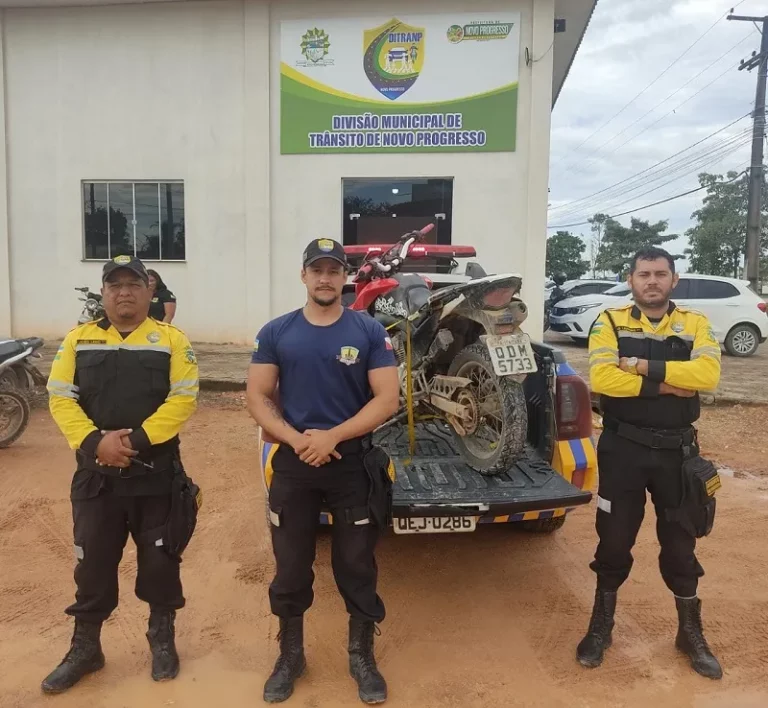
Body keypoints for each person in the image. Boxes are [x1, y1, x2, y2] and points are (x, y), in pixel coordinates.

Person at [247, 238, 399, 705]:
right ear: (304, 275)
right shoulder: (277, 331)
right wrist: (297, 440)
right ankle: (290, 655)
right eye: (317, 270)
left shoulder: (368, 331)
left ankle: (361, 655)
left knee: (355, 562)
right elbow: (257, 396)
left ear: (345, 277)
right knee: (291, 564)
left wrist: (333, 436)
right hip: (294, 463)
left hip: (351, 462)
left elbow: (387, 399)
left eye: (334, 270)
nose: (326, 278)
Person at [42, 255, 199, 693]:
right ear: (104, 292)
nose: (124, 292)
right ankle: (86, 647)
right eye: (115, 285)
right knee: (91, 565)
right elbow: (60, 398)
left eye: (134, 284)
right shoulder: (78, 340)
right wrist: (97, 444)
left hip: (156, 477)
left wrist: (136, 442)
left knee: (160, 562)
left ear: (151, 292)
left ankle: (161, 638)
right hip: (97, 479)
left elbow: (184, 398)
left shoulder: (170, 340)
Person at [579, 247, 723, 679]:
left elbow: (708, 378)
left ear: (674, 280)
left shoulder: (695, 323)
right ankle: (600, 627)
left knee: (681, 544)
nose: (653, 281)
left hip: (679, 454)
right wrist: (670, 384)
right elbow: (603, 380)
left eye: (661, 274)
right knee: (614, 541)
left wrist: (641, 366)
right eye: (644, 274)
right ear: (631, 279)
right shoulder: (609, 321)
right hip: (622, 451)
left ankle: (689, 633)